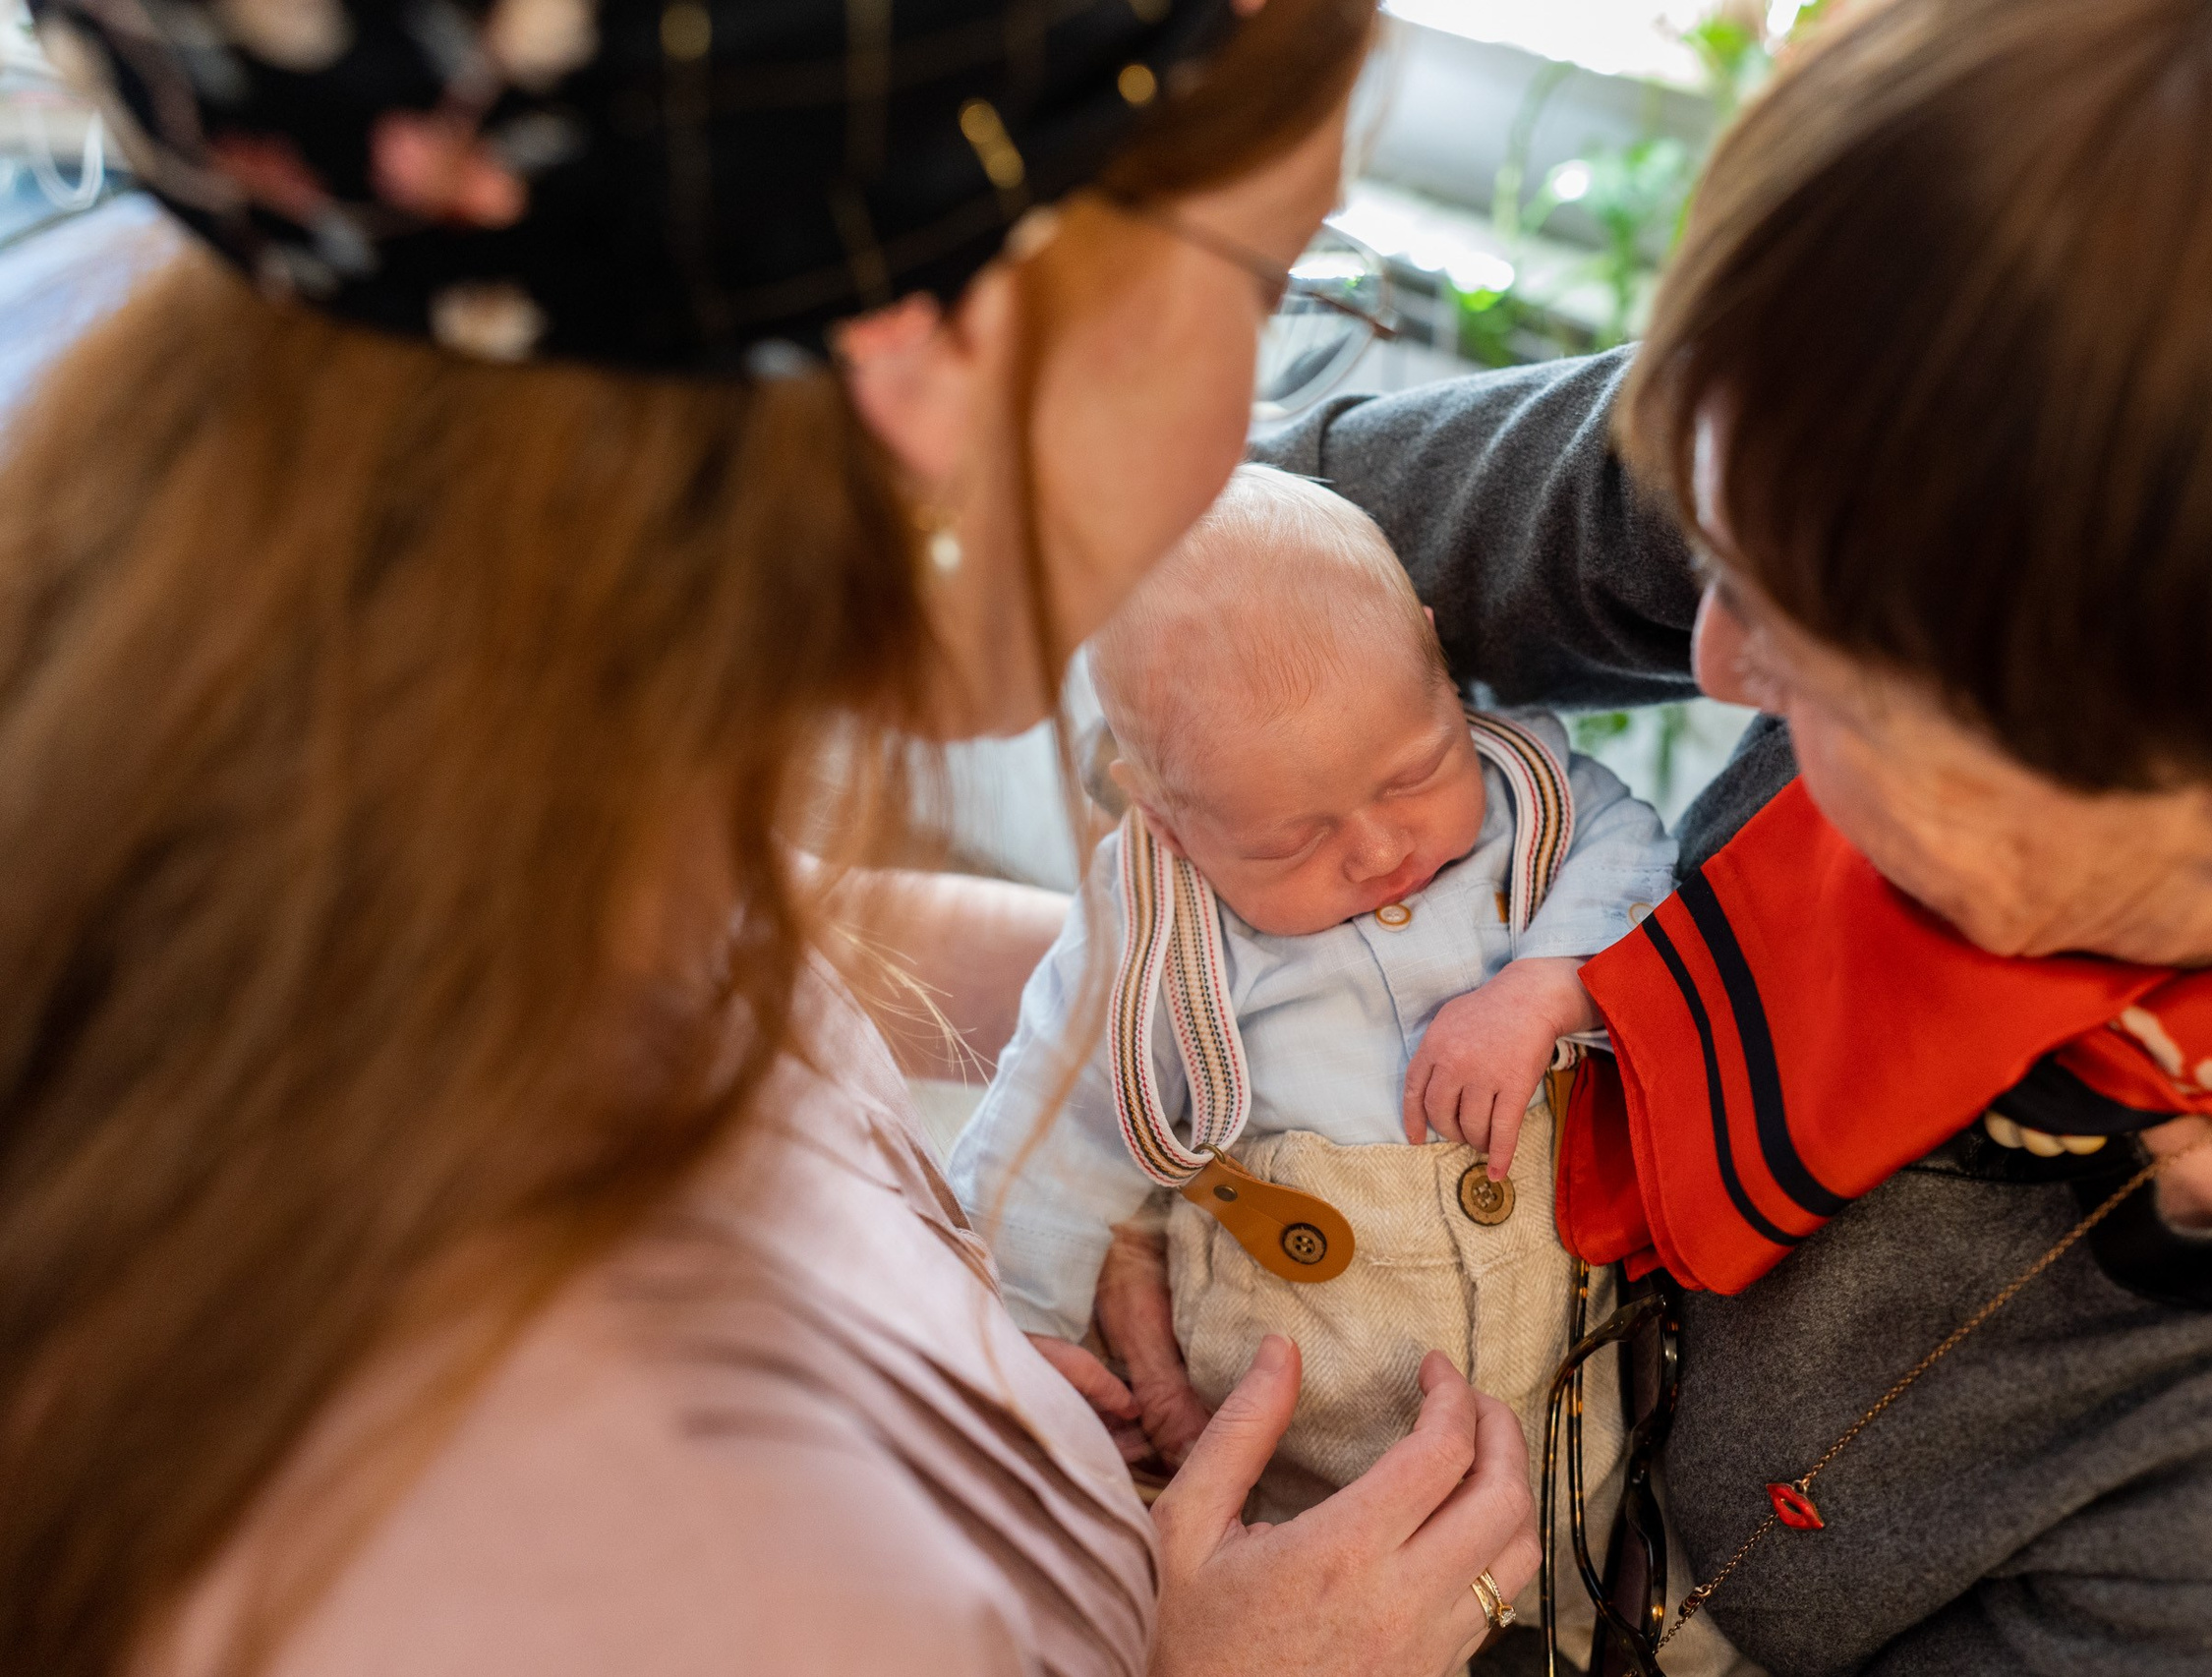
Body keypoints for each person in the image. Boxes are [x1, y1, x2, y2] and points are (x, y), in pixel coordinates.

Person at [0, 1, 1545, 1674]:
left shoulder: (383, 679)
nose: (1257, 389)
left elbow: (756, 938)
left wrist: (1182, 1013)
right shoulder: (724, 1567)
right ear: (941, 347)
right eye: (1265, 282)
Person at [1200, 0, 2212, 1669]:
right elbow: (1240, 550)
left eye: (1812, 660)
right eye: (1710, 542)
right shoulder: (1910, 441)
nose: (1711, 661)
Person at [948, 465, 1672, 1594]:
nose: (1380, 848)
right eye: (1291, 840)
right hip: (1302, 1431)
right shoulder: (1151, 928)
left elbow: (1636, 856)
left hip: (1571, 1386)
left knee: (1602, 1579)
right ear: (1163, 810)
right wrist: (1017, 1324)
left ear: (1434, 657)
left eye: (1414, 772)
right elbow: (1045, 1116)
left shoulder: (1529, 789)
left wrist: (1543, 987)